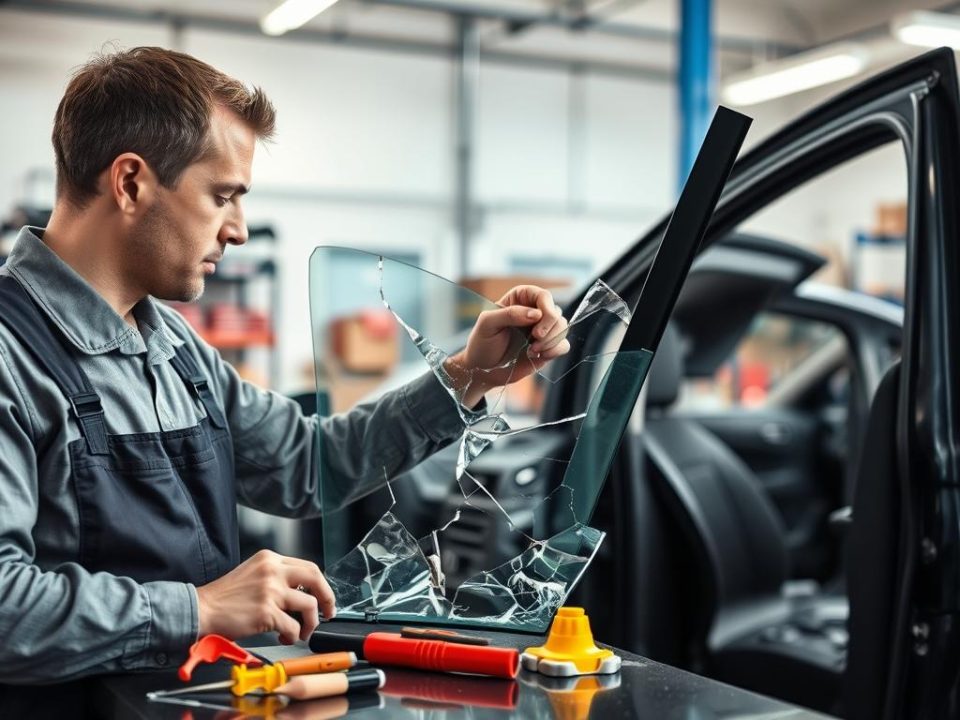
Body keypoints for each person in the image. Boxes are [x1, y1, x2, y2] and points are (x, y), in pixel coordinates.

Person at [0, 47, 569, 682]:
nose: (238, 229)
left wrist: (470, 374)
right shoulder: (10, 356)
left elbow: (308, 464)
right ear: (130, 183)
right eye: (223, 196)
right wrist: (199, 608)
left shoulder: (176, 351)